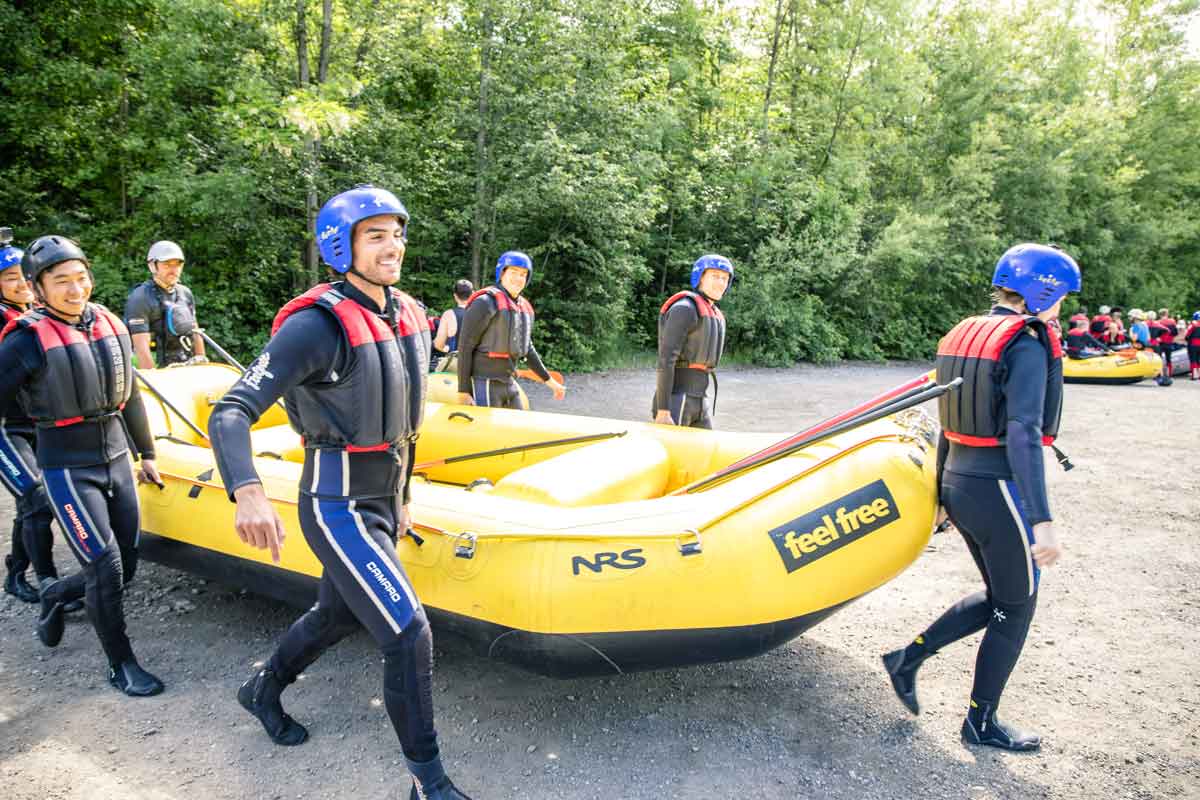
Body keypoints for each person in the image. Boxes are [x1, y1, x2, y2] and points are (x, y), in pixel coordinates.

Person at [208, 185, 472, 800]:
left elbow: (402, 422)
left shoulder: (406, 311)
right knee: (408, 631)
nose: (392, 246)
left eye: (396, 233)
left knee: (335, 613)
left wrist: (403, 495)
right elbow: (231, 411)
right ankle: (427, 782)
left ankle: (263, 689)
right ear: (341, 245)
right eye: (374, 235)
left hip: (384, 499)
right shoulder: (314, 326)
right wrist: (246, 492)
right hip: (337, 503)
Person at [882, 242, 1079, 752]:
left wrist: (943, 491)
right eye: (1062, 298)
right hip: (997, 489)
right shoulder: (1027, 342)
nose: (1063, 309)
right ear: (1043, 291)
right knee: (1018, 605)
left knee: (1003, 596)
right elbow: (1022, 431)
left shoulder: (964, 333)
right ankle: (980, 722)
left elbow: (947, 415)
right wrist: (1041, 521)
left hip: (962, 483)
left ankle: (909, 658)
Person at [0, 234, 164, 696]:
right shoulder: (25, 341)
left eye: (81, 278)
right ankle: (121, 664)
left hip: (114, 456)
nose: (75, 290)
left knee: (127, 564)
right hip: (67, 467)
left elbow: (128, 395)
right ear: (37, 287)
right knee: (104, 564)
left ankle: (54, 595)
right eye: (61, 282)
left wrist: (146, 453)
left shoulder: (108, 323)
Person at [0, 232, 86, 609]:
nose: (19, 284)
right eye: (8, 278)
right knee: (36, 497)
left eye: (23, 275)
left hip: (40, 424)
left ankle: (16, 572)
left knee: (35, 500)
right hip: (6, 428)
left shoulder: (46, 316)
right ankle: (45, 581)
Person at [455, 251, 564, 408]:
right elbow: (465, 346)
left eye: (523, 274)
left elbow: (527, 349)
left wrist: (551, 382)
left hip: (509, 383)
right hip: (484, 383)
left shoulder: (522, 307)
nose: (519, 278)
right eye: (513, 272)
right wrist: (463, 391)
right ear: (502, 273)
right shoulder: (485, 302)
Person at [653, 254, 732, 429]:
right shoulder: (685, 308)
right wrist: (663, 410)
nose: (721, 282)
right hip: (676, 401)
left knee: (706, 454)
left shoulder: (716, 314)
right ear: (700, 278)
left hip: (700, 401)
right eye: (715, 276)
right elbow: (665, 360)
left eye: (725, 278)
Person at [124, 240, 206, 368]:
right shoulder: (140, 298)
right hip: (157, 368)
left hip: (185, 363)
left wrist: (201, 362)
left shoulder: (185, 293)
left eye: (177, 265)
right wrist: (155, 381)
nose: (173, 270)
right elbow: (141, 348)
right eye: (167, 265)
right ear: (153, 266)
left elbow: (196, 332)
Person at [431, 279, 473, 371]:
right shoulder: (481, 314)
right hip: (477, 364)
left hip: (457, 365)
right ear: (472, 294)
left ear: (455, 296)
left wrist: (447, 348)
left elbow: (438, 344)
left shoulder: (449, 314)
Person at [1184, 311, 1200, 381]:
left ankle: (1194, 376)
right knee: (1199, 360)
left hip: (1193, 344)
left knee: (1193, 360)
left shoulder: (1193, 325)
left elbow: (1187, 336)